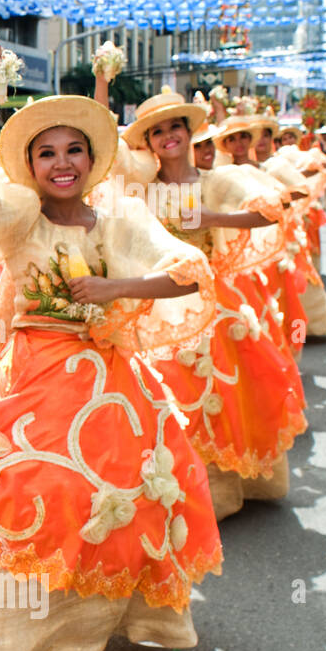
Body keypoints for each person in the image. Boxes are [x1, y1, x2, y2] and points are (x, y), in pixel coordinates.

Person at [0, 31, 221, 651]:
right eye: (46, 152)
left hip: (111, 380)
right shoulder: (19, 216)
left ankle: (88, 627)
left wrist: (115, 288)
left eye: (73, 151)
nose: (61, 162)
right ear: (31, 165)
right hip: (30, 374)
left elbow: (187, 273)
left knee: (118, 498)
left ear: (92, 160)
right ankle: (28, 638)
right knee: (25, 493)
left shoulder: (119, 218)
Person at [116, 90, 305, 515]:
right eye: (158, 131)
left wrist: (213, 218)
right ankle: (184, 490)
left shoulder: (215, 180)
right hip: (160, 302)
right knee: (171, 393)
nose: (168, 136)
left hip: (214, 301)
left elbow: (271, 211)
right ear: (149, 143)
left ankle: (224, 486)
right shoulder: (140, 190)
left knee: (223, 389)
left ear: (189, 132)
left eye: (175, 127)